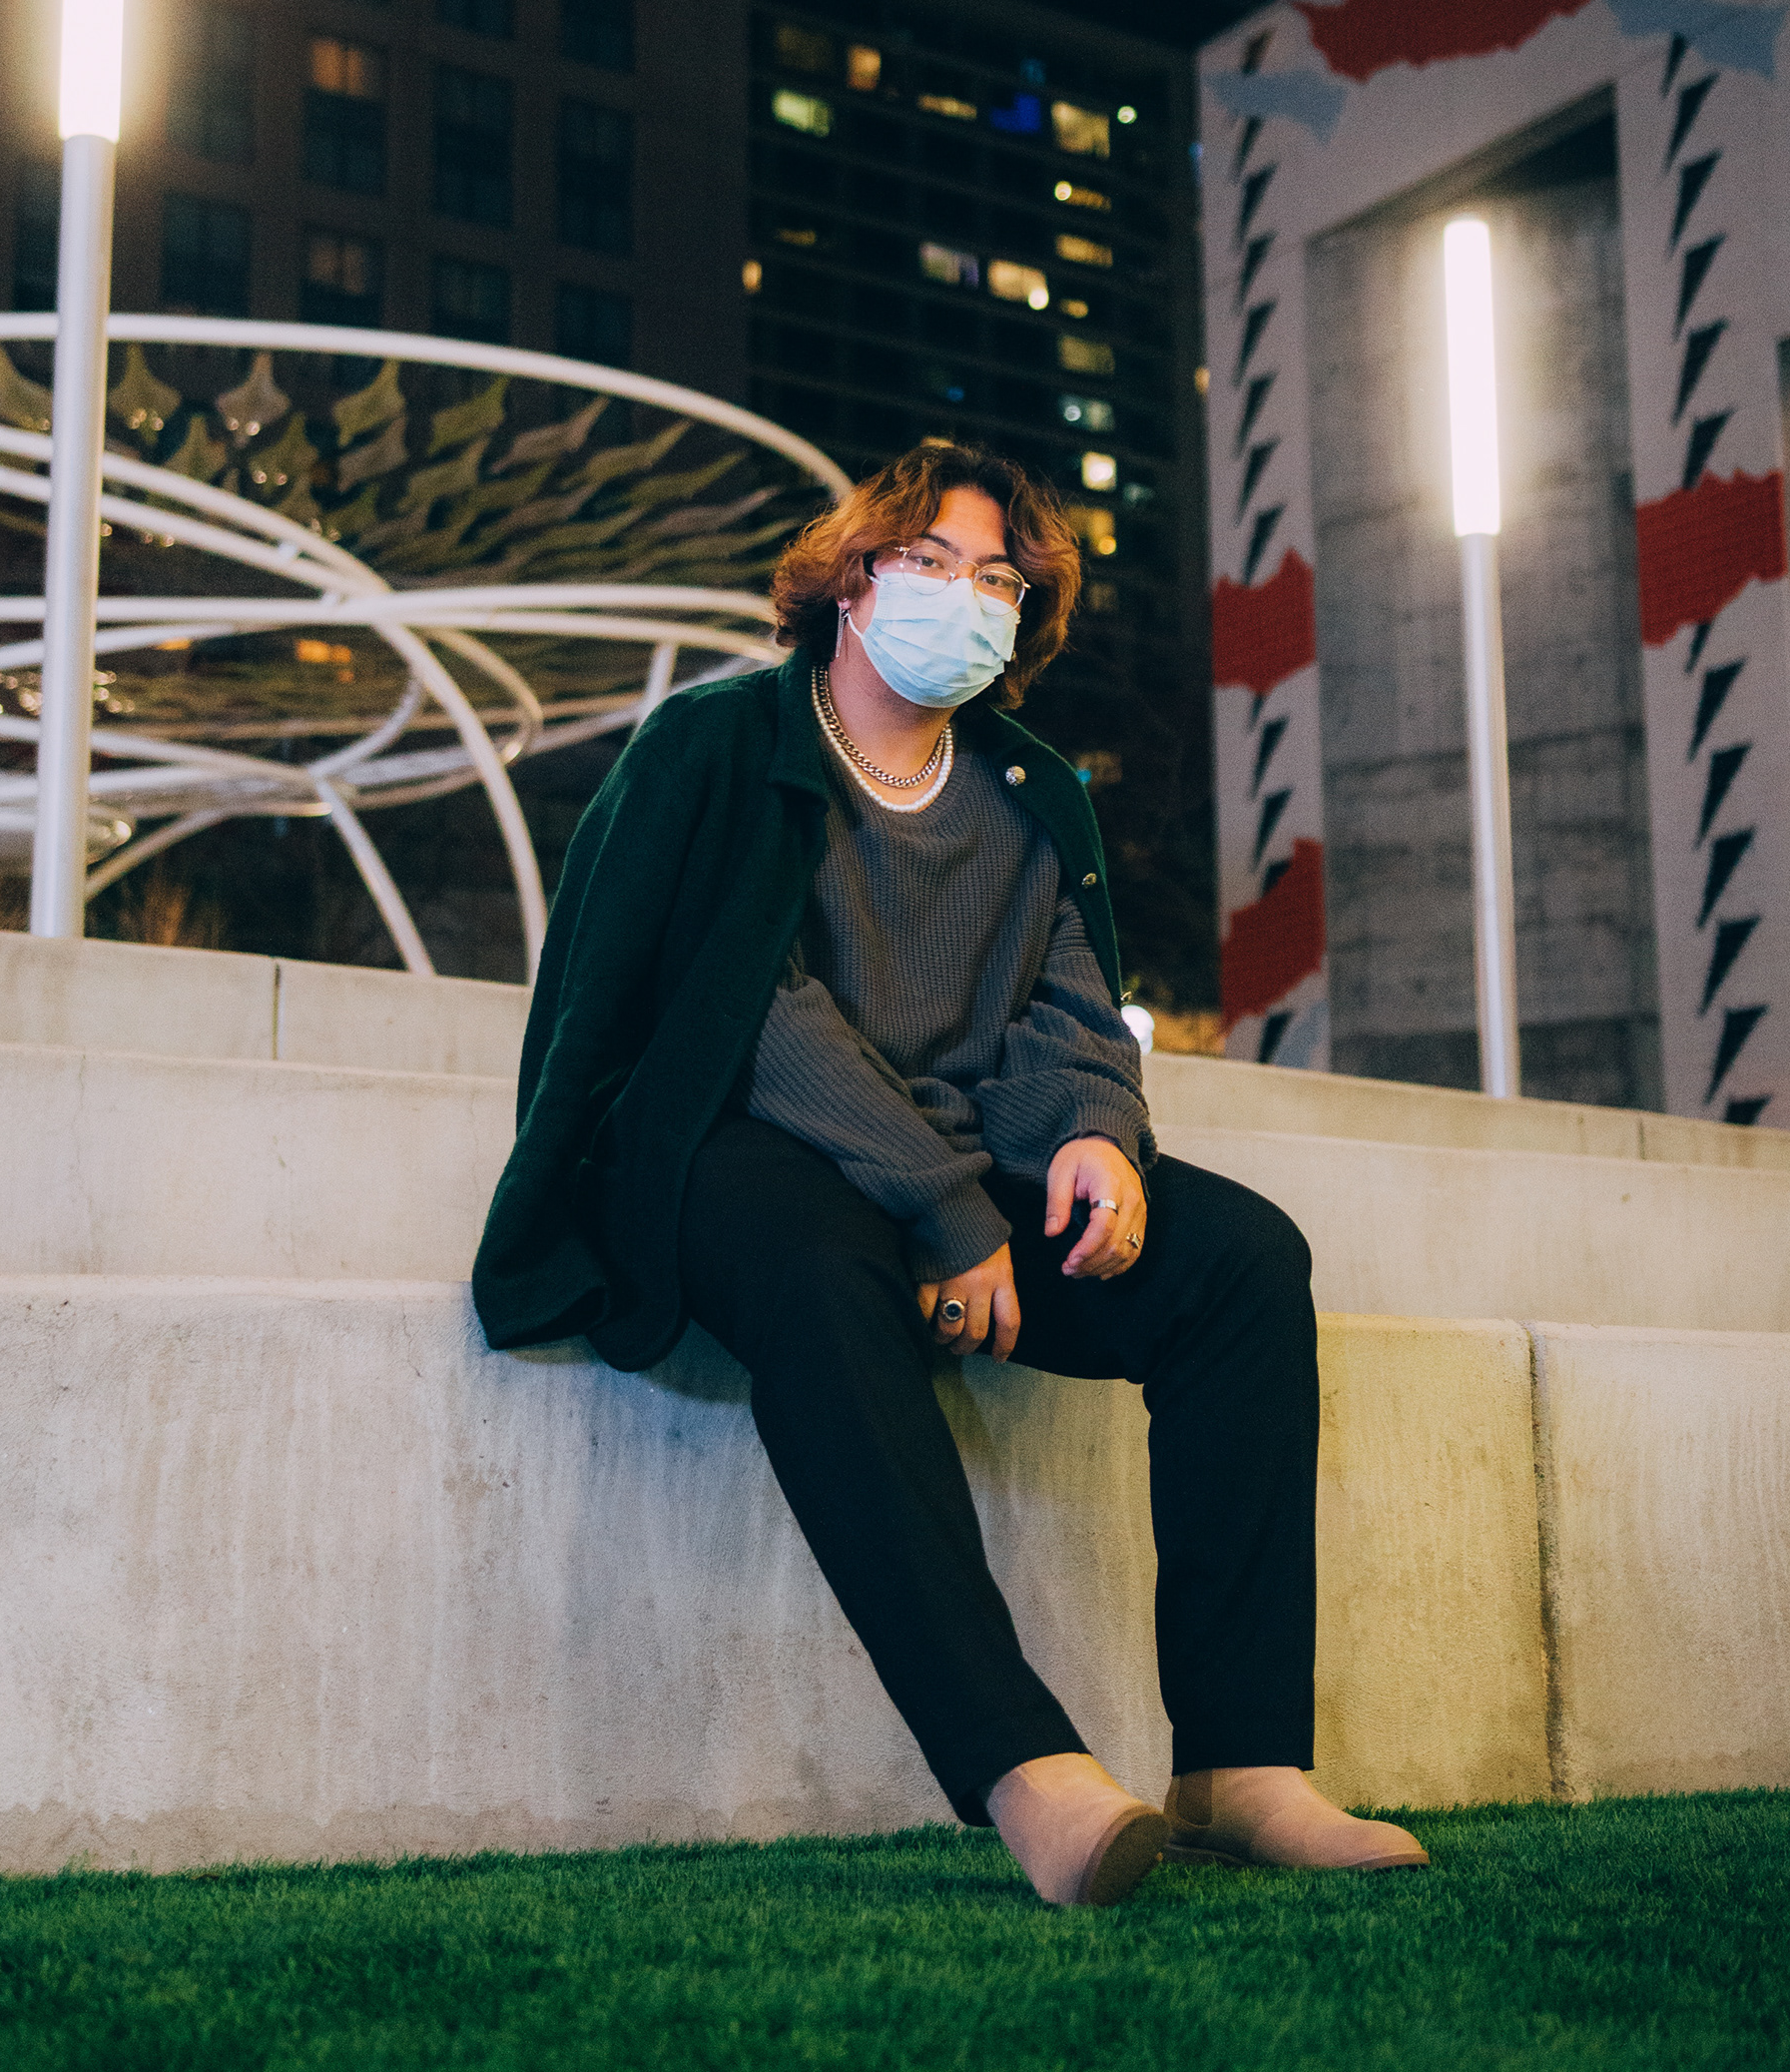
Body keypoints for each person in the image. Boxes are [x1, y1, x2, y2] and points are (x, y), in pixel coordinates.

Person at [472, 441, 1428, 1905]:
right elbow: (750, 1013)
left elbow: (1068, 1000)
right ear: (855, 577)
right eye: (930, 563)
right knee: (817, 1266)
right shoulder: (717, 744)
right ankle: (1024, 1768)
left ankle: (1240, 1767)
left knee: (1242, 1261)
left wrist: (1095, 1135)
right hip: (744, 1150)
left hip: (970, 1168)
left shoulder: (1027, 789)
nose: (964, 597)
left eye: (998, 580)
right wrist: (945, 1206)